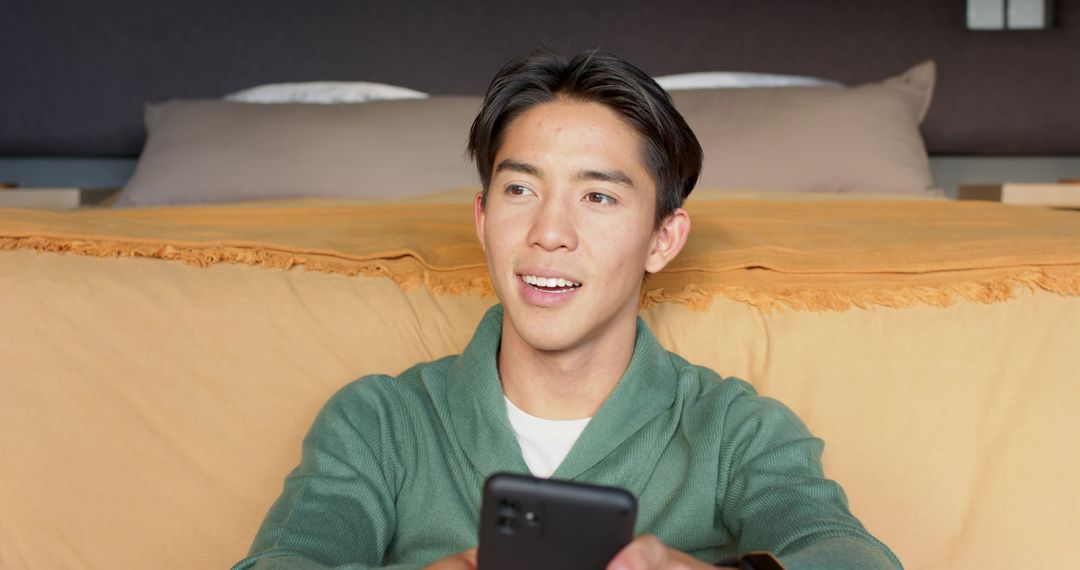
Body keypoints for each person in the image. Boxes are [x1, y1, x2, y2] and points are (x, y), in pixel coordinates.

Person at [233, 51, 901, 570]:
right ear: (483, 216)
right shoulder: (379, 422)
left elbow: (849, 556)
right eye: (520, 188)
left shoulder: (736, 431)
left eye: (599, 197)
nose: (548, 232)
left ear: (663, 238)